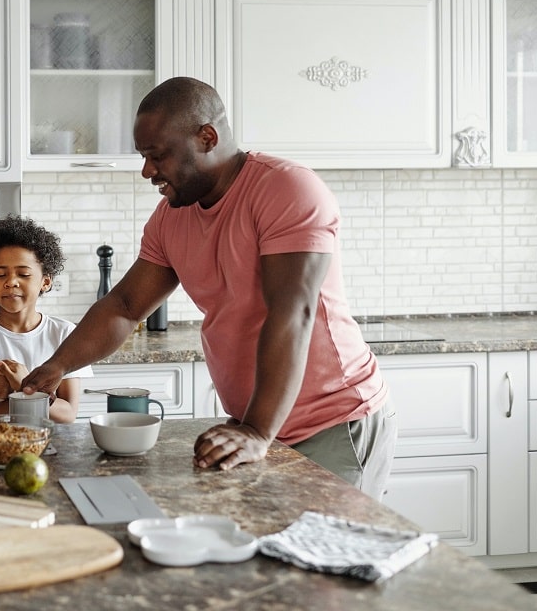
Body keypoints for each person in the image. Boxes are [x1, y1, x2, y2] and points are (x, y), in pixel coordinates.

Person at [20, 77, 396, 499]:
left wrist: (256, 429)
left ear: (207, 137)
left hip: (330, 422)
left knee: (325, 561)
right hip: (254, 425)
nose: (147, 171)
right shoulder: (171, 217)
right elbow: (125, 306)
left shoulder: (286, 190)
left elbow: (292, 313)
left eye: (157, 155)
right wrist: (58, 366)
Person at [0, 215, 92, 424]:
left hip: (54, 448)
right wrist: (22, 396)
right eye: (0, 274)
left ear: (45, 282)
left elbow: (67, 415)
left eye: (23, 274)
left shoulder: (65, 334)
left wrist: (22, 387)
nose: (11, 282)